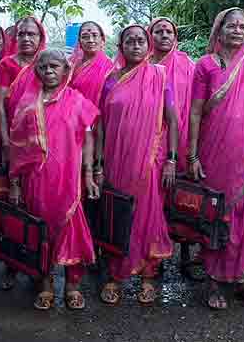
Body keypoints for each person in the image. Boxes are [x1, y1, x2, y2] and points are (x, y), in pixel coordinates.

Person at [188, 7, 244, 310]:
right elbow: (196, 111)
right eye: (231, 26)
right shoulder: (206, 65)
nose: (237, 31)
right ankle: (214, 282)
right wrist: (193, 154)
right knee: (217, 216)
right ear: (219, 30)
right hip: (215, 154)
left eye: (242, 26)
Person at [8, 49, 99, 311]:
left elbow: (88, 138)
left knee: (72, 230)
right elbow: (17, 146)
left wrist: (90, 174)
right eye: (43, 67)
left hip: (69, 180)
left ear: (65, 70)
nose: (48, 71)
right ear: (36, 71)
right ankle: (45, 284)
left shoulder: (77, 100)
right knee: (42, 231)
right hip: (36, 180)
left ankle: (73, 285)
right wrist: (14, 183)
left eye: (54, 66)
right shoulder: (27, 104)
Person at [96, 25, 177, 306]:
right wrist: (99, 163)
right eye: (129, 41)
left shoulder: (159, 75)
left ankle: (147, 276)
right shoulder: (110, 80)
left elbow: (172, 119)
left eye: (140, 40)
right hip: (117, 160)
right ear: (121, 46)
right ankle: (114, 276)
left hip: (149, 161)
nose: (135, 45)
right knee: (118, 215)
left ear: (148, 44)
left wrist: (172, 159)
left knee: (147, 216)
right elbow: (102, 125)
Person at [0, 16, 47, 291]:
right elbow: (1, 107)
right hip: (14, 143)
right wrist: (4, 143)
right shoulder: (8, 64)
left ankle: (38, 267)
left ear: (40, 38)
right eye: (22, 34)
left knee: (37, 205)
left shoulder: (47, 64)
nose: (27, 39)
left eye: (32, 35)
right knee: (13, 205)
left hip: (41, 145)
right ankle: (12, 265)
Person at [147, 17, 199, 279]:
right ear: (150, 35)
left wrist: (191, 148)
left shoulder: (188, 65)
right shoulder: (141, 65)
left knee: (184, 199)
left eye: (168, 31)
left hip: (182, 139)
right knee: (155, 200)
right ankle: (155, 257)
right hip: (151, 143)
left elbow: (196, 107)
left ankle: (187, 256)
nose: (164, 35)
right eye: (159, 31)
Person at [68, 21, 113, 106]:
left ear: (102, 39)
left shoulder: (109, 67)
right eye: (85, 37)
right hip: (71, 112)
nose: (90, 40)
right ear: (79, 41)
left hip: (97, 114)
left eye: (95, 35)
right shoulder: (71, 64)